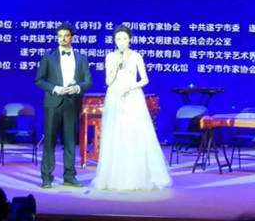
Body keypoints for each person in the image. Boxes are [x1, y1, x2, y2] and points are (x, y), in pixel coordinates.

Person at [92, 25, 172, 190]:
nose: (121, 41)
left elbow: (145, 79)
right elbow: (108, 81)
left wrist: (131, 87)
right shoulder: (110, 57)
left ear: (130, 40)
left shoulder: (136, 56)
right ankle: (114, 178)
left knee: (134, 133)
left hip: (133, 96)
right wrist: (116, 65)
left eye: (124, 38)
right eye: (118, 39)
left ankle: (137, 177)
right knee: (116, 134)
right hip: (115, 96)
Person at [36, 22, 92, 188]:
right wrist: (55, 88)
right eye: (60, 36)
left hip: (72, 103)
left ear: (72, 37)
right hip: (53, 103)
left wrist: (77, 88)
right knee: (49, 142)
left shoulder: (81, 58)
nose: (63, 39)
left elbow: (88, 81)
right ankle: (47, 177)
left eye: (66, 36)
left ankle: (70, 176)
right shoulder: (48, 56)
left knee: (69, 142)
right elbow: (39, 80)